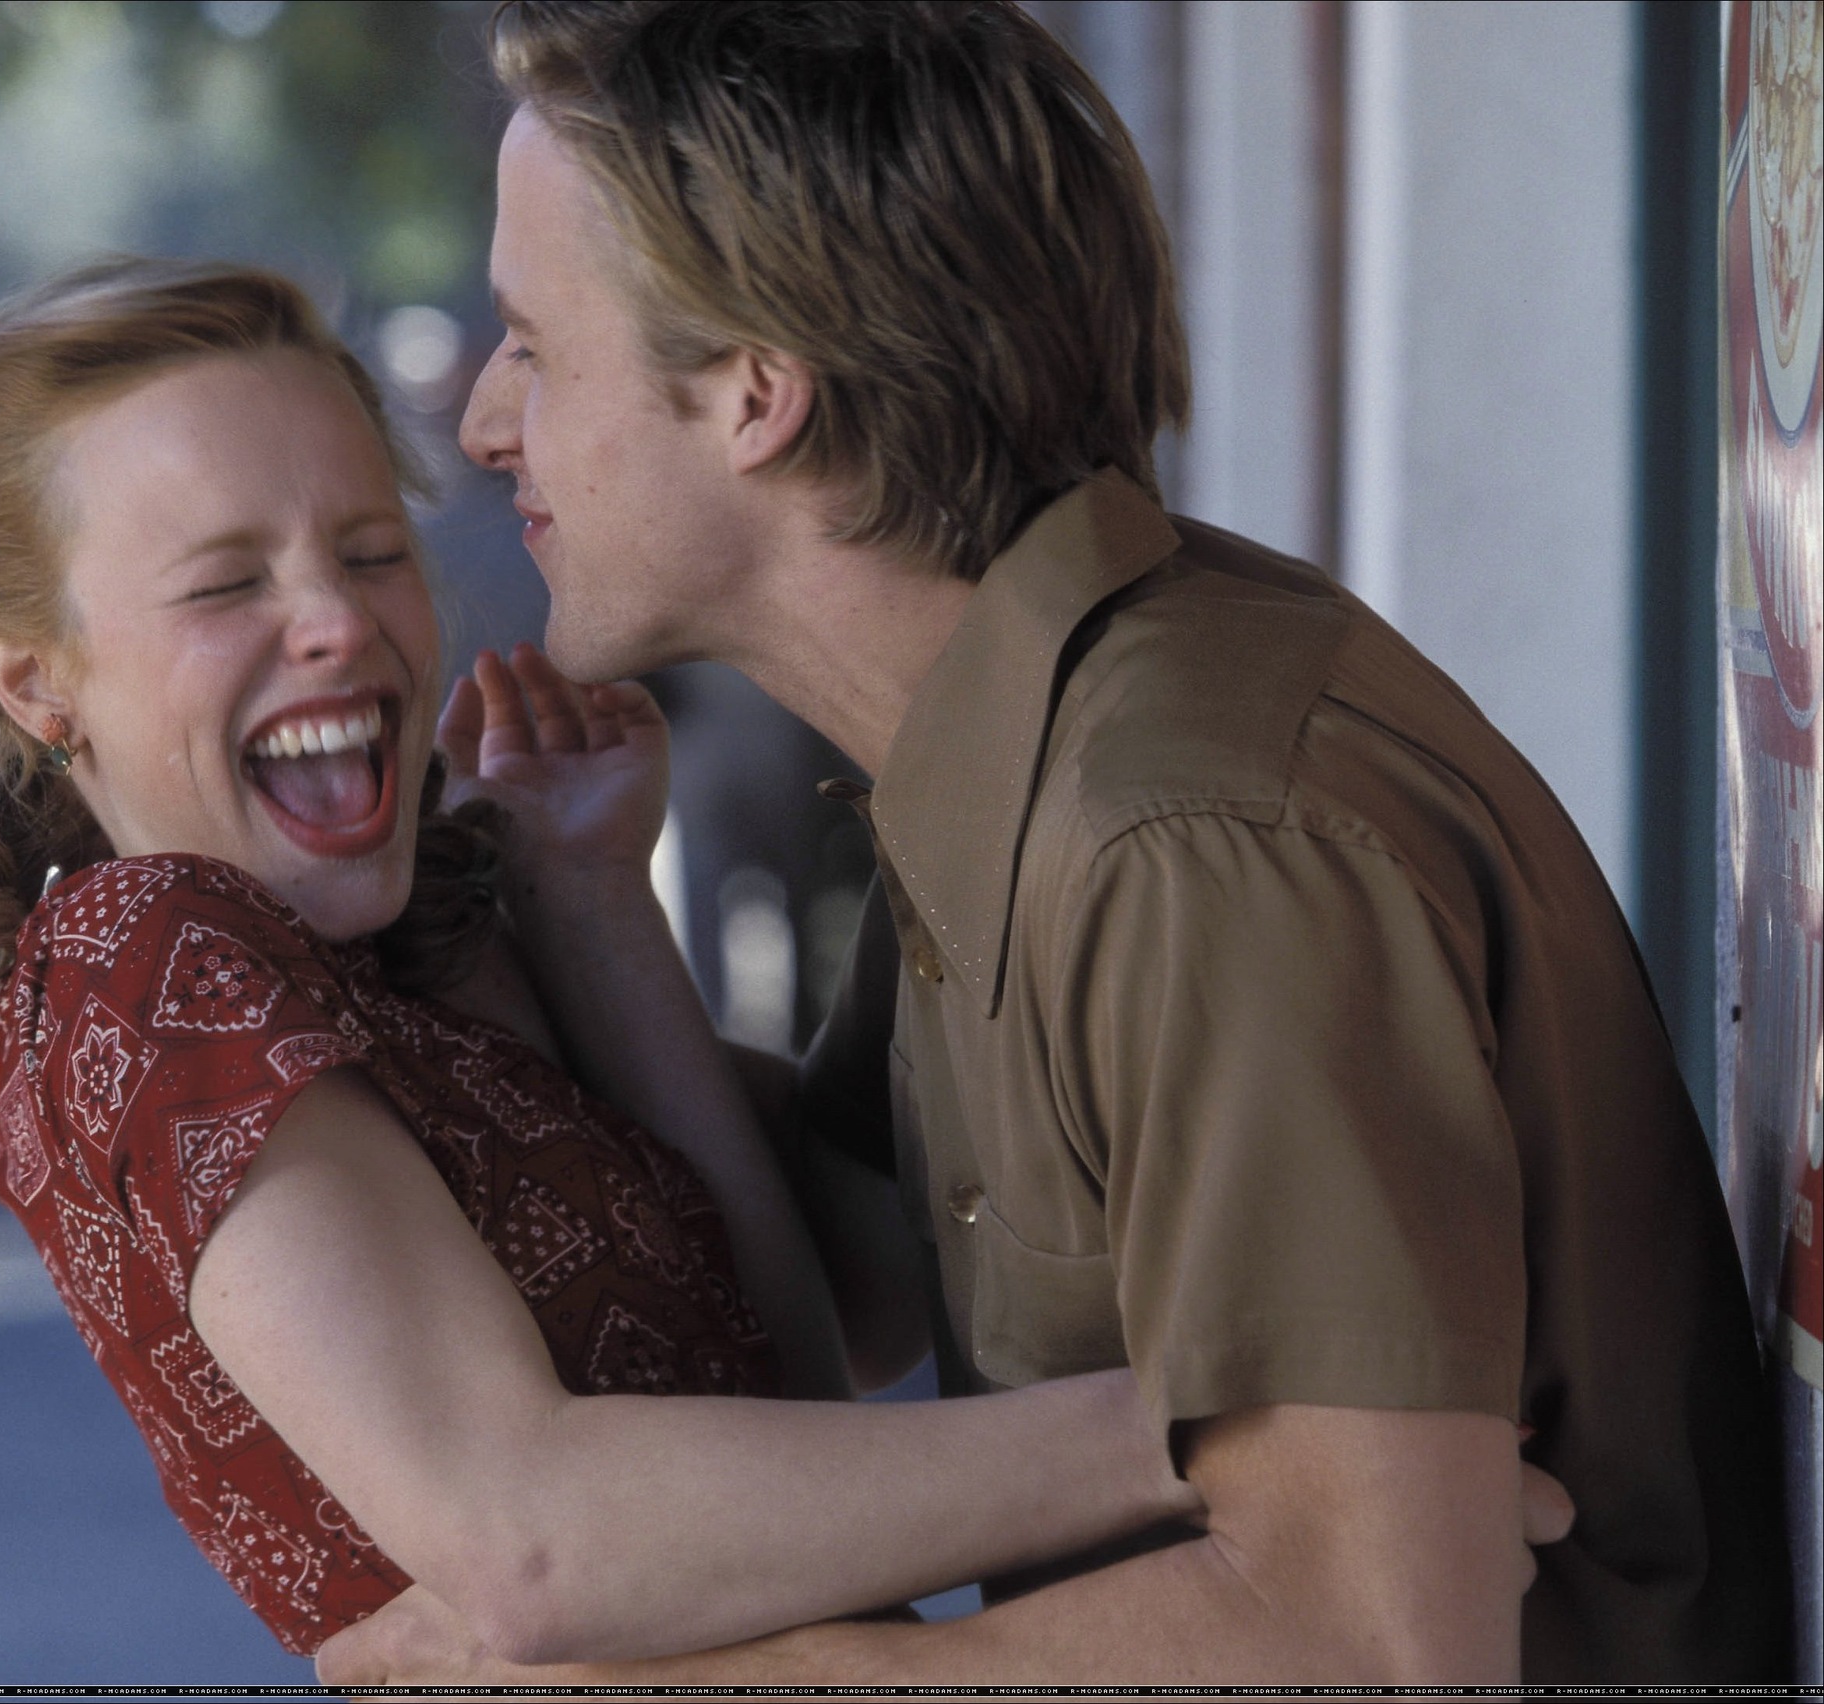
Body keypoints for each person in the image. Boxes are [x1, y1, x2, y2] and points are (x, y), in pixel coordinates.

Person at [316, 0, 1791, 1686]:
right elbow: (849, 1287)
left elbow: (1376, 1642)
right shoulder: (1017, 729)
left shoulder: (1188, 834)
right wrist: (572, 921)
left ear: (754, 391)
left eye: (534, 346)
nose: (487, 423)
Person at [0, 257, 1244, 1661]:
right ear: (32, 674)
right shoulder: (147, 957)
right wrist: (1218, 1430)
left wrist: (592, 903)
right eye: (225, 584)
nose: (341, 623)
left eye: (372, 550)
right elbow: (538, 1546)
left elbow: (807, 1368)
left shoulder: (383, 958)